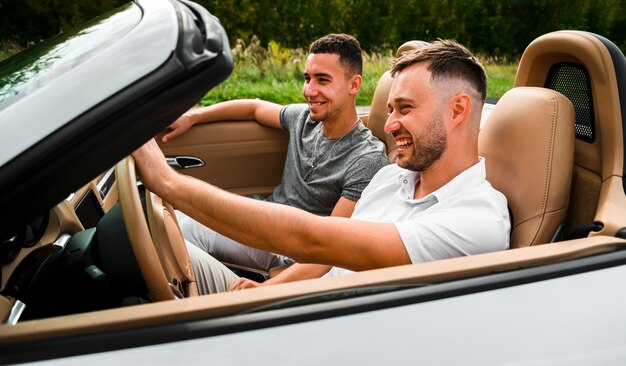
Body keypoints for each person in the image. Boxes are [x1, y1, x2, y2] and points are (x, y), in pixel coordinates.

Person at [133, 39, 511, 295]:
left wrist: (168, 182)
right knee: (155, 239)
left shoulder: (477, 221)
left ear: (458, 109)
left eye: (406, 109)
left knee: (151, 251)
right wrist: (268, 291)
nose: (390, 125)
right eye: (391, 109)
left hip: (317, 327)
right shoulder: (393, 176)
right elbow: (327, 257)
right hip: (300, 302)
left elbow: (317, 239)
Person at [163, 33, 389, 272]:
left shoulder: (367, 159)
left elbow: (330, 243)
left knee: (184, 231)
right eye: (307, 79)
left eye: (322, 80)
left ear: (354, 85)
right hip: (263, 218)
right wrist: (193, 117)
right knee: (174, 219)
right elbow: (254, 108)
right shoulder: (304, 119)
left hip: (288, 249)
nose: (309, 91)